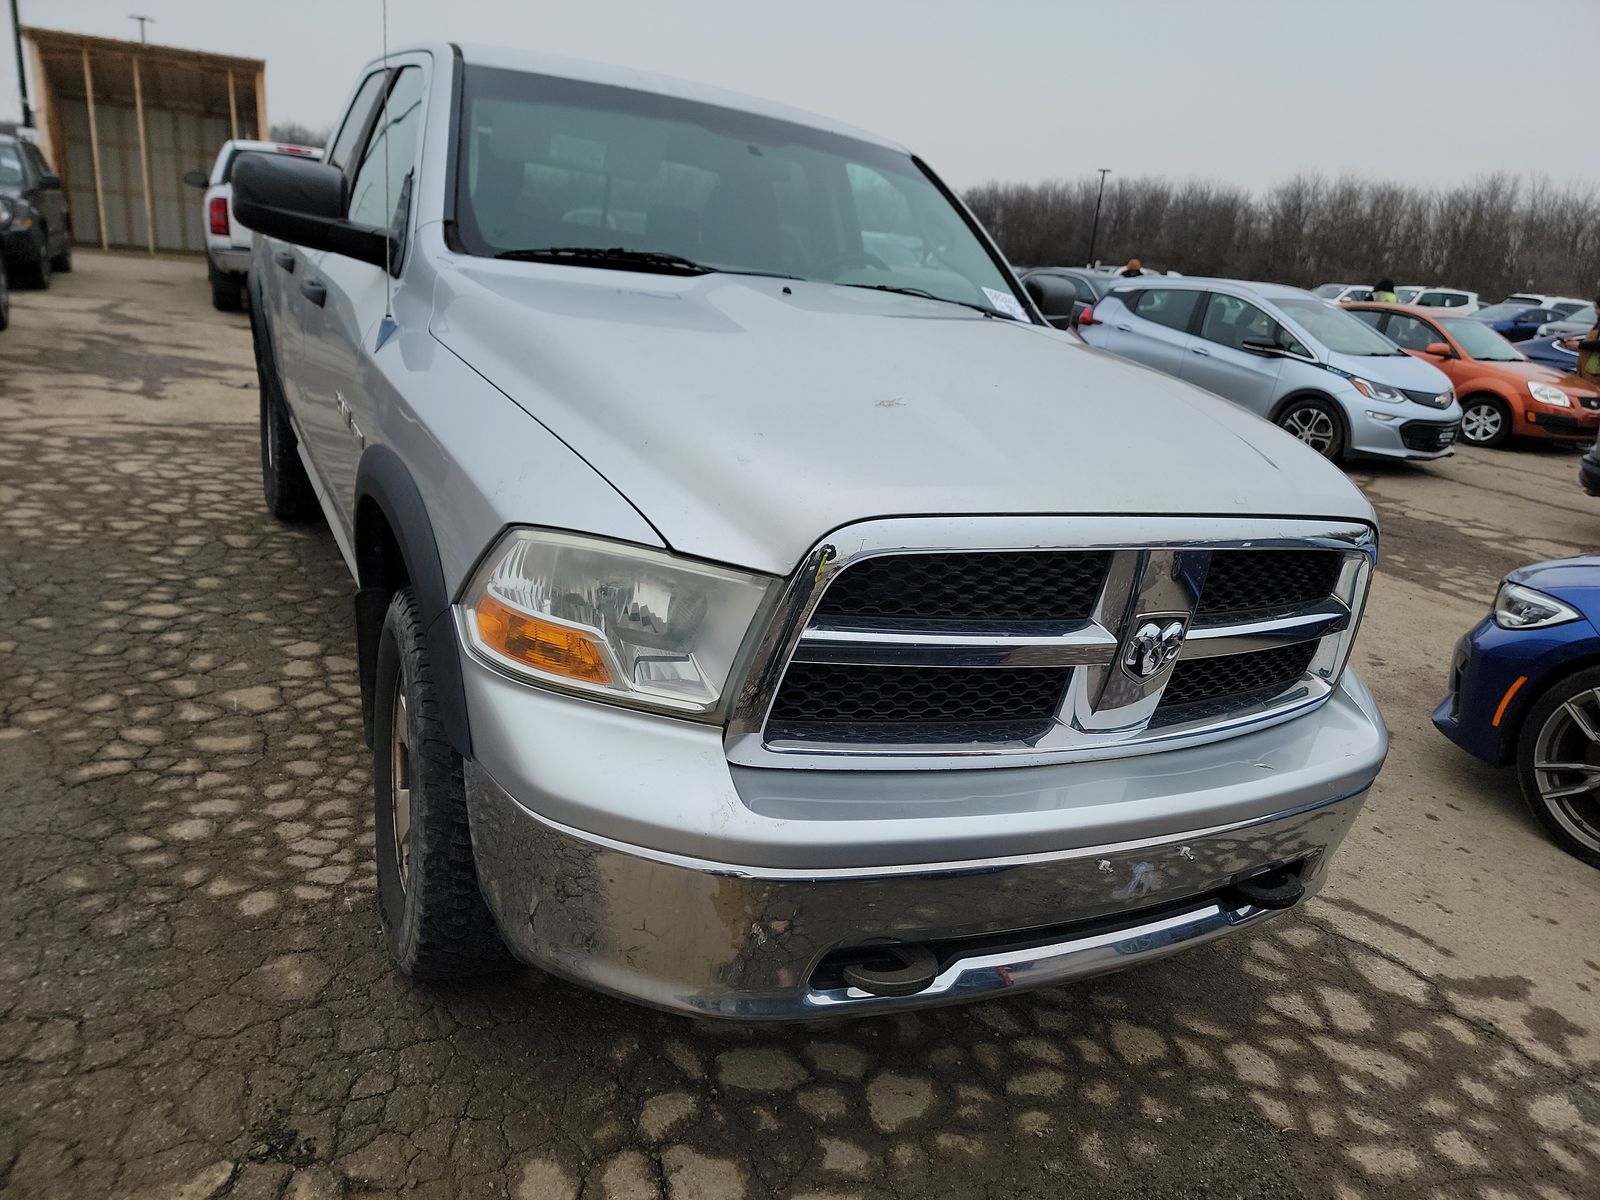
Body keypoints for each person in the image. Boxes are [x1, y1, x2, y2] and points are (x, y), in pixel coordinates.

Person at [1562, 286, 1600, 381]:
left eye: (1597, 308)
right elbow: (1593, 342)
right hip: (1587, 373)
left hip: (1595, 376)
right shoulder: (1598, 324)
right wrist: (1577, 343)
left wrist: (1580, 345)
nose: (1595, 312)